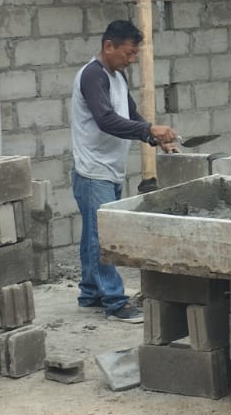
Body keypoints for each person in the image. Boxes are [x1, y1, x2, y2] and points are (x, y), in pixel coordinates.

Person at [70, 20, 178, 323]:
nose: (131, 59)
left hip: (108, 167)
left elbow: (130, 114)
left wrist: (154, 138)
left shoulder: (117, 76)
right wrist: (150, 129)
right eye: (128, 53)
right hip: (93, 170)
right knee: (103, 236)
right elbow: (106, 120)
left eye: (134, 54)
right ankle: (115, 303)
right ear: (109, 46)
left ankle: (90, 293)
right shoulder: (93, 75)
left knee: (94, 233)